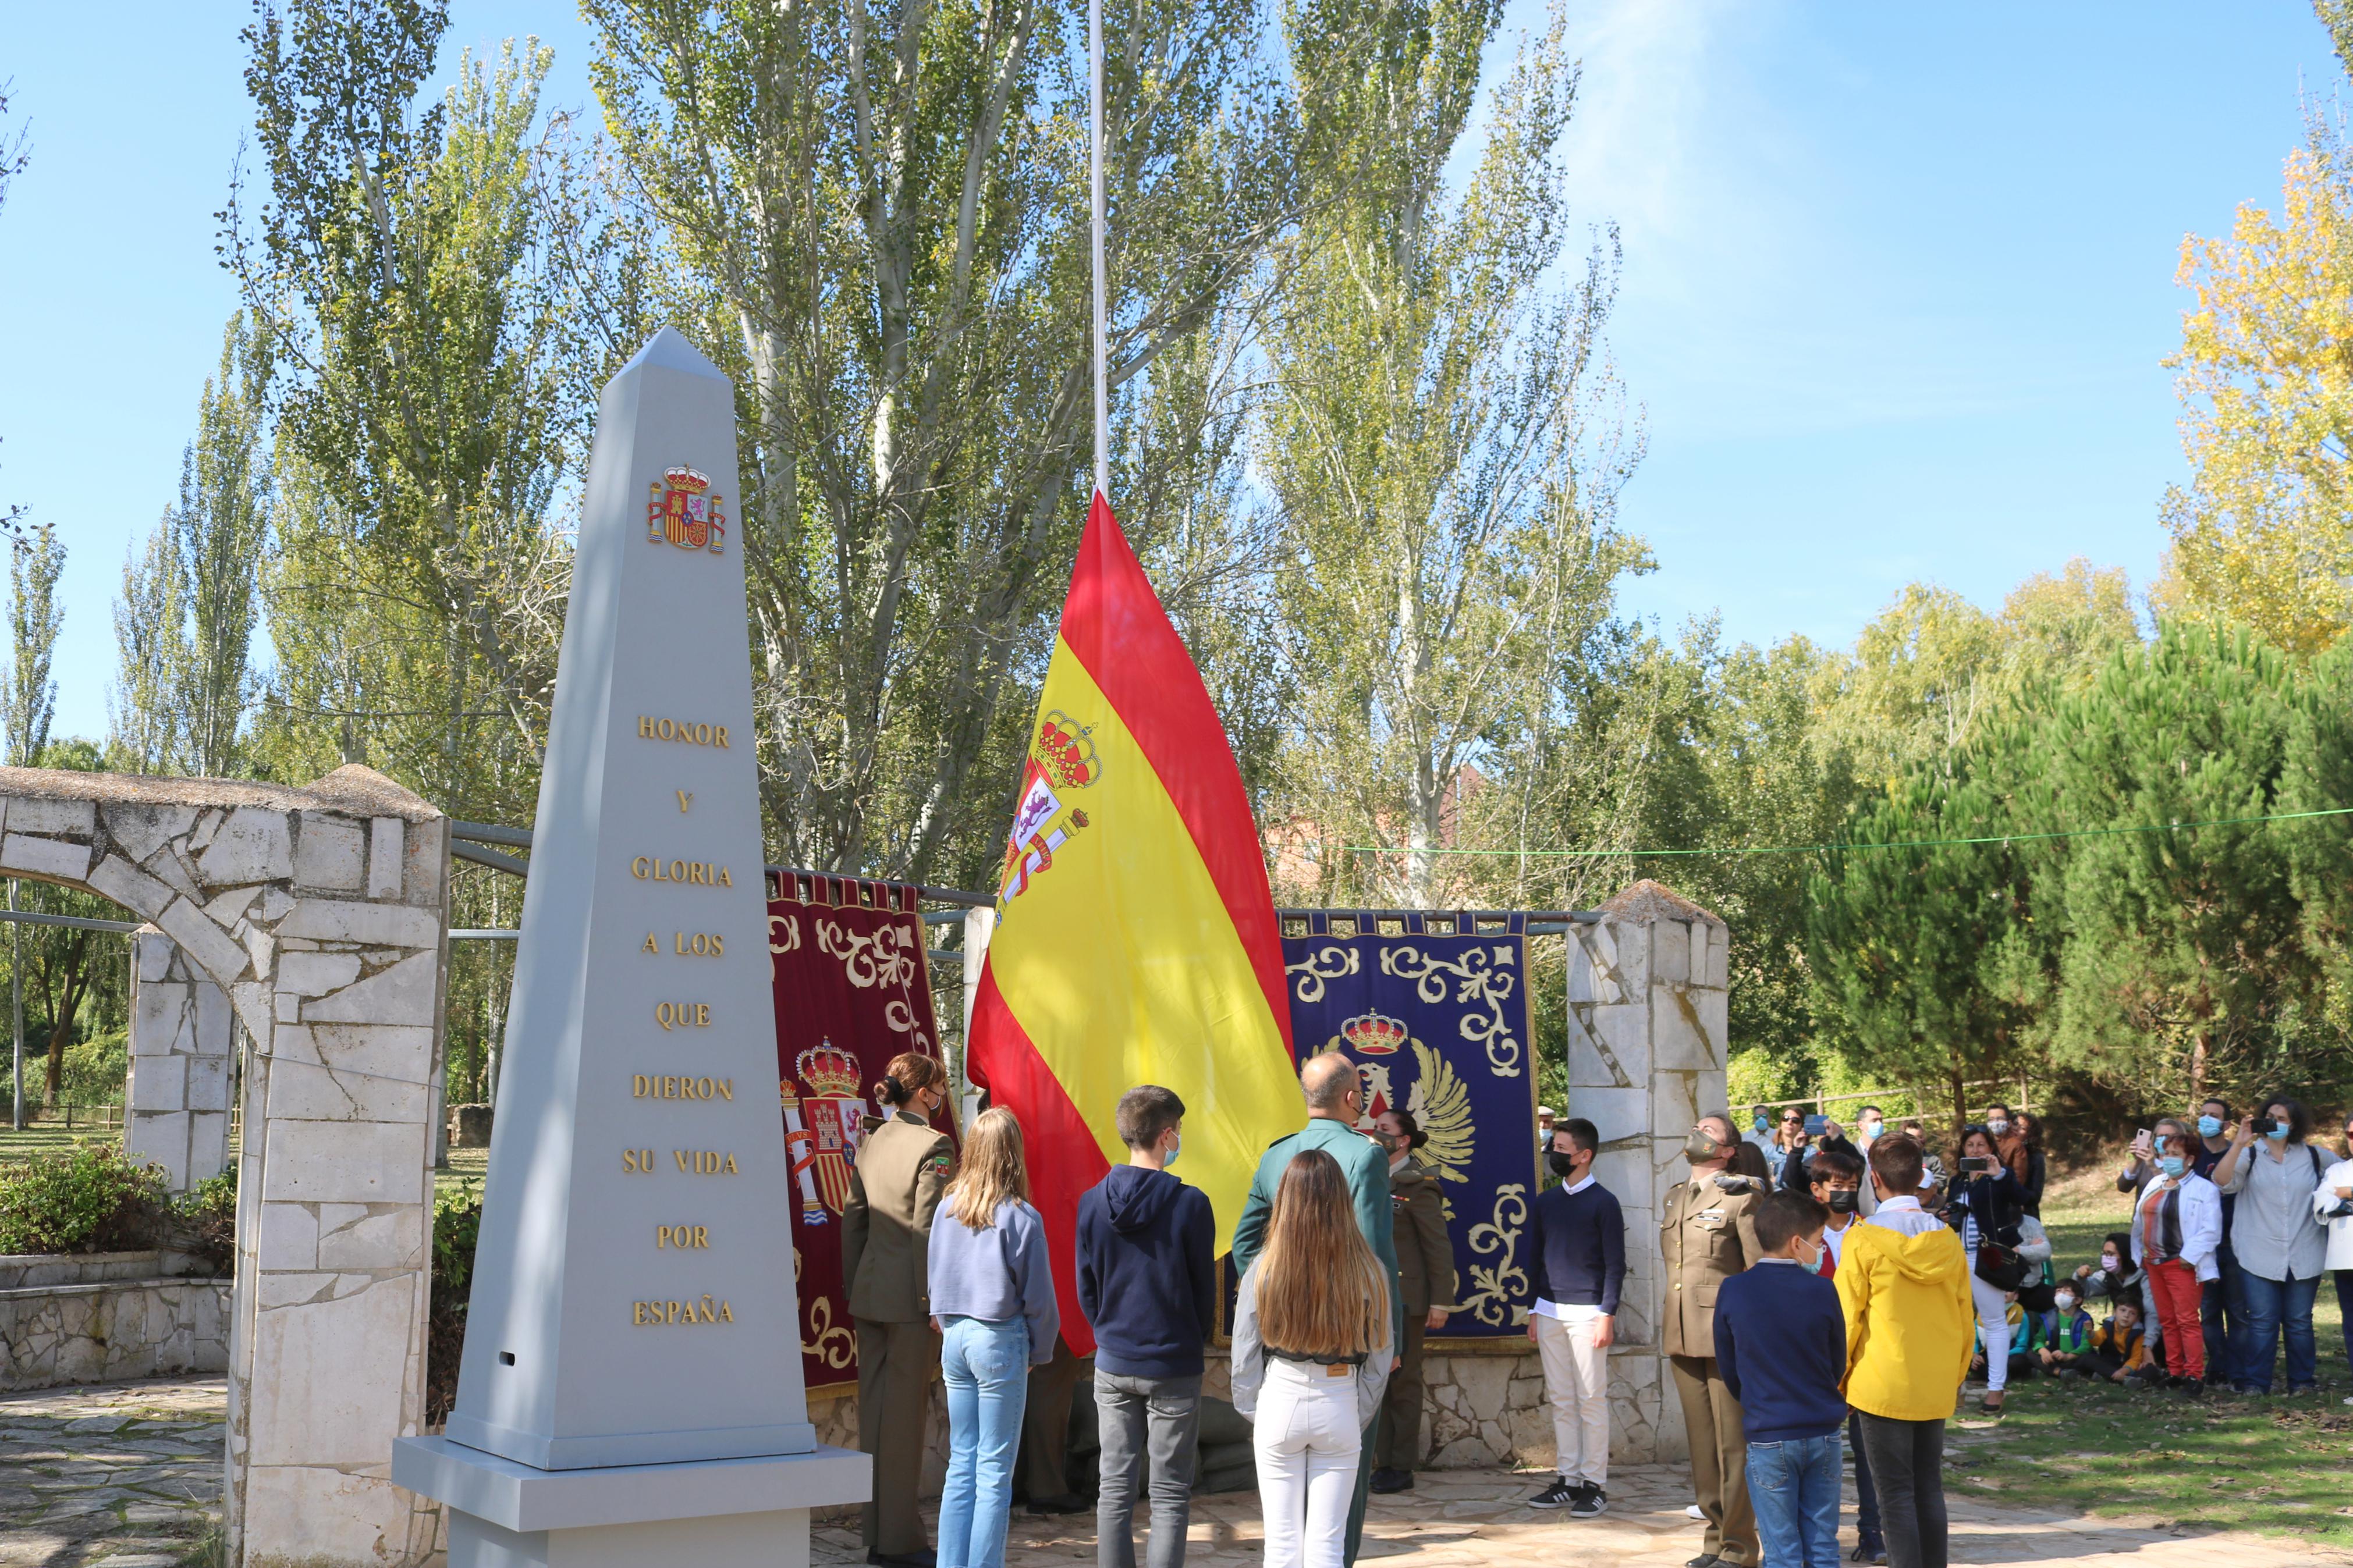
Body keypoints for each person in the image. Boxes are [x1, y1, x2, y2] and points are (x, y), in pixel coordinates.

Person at [1231, 1054, 1401, 1567]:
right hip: (1345, 1351)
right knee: (1333, 1530)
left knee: (1281, 1542)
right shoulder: (1365, 1154)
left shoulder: (1275, 1154)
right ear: (1351, 1098)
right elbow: (1376, 1252)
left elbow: (1245, 1243)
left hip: (1281, 1365)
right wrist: (1387, 1336)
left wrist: (1277, 1290)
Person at [1077, 1086, 1217, 1568]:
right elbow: (1203, 1290)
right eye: (1178, 1130)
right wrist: (1188, 1338)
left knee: (1114, 1486)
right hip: (1173, 1361)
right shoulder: (1191, 1203)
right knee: (1170, 1492)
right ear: (1166, 1134)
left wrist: (1109, 1331)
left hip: (1114, 1359)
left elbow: (1086, 1286)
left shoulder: (1091, 1202)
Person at [928, 1108, 1059, 1568]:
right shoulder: (1021, 1216)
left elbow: (934, 1275)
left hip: (955, 1336)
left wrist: (943, 1320)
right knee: (993, 1471)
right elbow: (1039, 1298)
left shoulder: (946, 1208)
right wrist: (1038, 1349)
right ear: (1013, 1152)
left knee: (961, 1462)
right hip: (999, 1338)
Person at [1836, 1134, 1972, 1568]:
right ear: (1919, 1178)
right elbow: (1964, 1318)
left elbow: (1845, 1320)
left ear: (1874, 1179)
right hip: (1934, 1381)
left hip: (1881, 1383)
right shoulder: (1948, 1240)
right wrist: (1953, 1377)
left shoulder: (1862, 1239)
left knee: (1894, 1495)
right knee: (1929, 1489)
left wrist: (1839, 1379)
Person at [843, 1052, 957, 1568]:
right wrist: (933, 1299)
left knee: (875, 1416)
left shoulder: (870, 1140)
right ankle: (899, 1540)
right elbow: (926, 1229)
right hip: (912, 1300)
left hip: (870, 1294)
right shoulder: (934, 1144)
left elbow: (854, 1221)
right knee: (904, 1422)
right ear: (923, 1092)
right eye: (940, 1086)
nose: (943, 1095)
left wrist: (856, 1287)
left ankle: (877, 1533)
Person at [1717, 1192, 1848, 1568]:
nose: (1821, 1249)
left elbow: (1729, 1367)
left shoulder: (1733, 1289)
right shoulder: (1823, 1289)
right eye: (1819, 1240)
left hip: (1768, 1430)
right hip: (1822, 1431)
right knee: (1822, 1546)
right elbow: (1836, 1360)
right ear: (1796, 1243)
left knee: (1780, 1550)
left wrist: (1758, 1399)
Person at [1662, 1113, 1763, 1568]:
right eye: (1696, 1126)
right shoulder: (1674, 1196)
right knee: (1702, 1447)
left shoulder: (1742, 1197)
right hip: (1681, 1333)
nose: (1697, 1134)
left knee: (1732, 1446)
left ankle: (1739, 1548)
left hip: (1726, 1335)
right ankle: (1714, 1538)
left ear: (1727, 1150)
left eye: (1709, 1131)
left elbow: (1756, 1271)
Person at [1525, 1116, 1625, 1518]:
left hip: (1588, 1314)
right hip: (1548, 1309)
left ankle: (1594, 1484)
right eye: (1553, 1147)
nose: (1553, 1154)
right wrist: (1533, 1308)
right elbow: (1534, 1256)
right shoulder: (1546, 1202)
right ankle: (1567, 1478)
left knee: (1590, 1400)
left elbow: (1615, 1264)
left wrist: (1607, 1314)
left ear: (1584, 1155)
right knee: (1561, 1399)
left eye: (1561, 1148)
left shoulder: (1604, 1202)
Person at [2212, 1096, 2330, 1394]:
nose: (2275, 1123)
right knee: (2262, 1322)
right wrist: (2239, 1143)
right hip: (2258, 1252)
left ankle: (2302, 1383)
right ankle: (2256, 1384)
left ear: (2294, 1124)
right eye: (2270, 1117)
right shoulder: (2250, 1155)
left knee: (2299, 1322)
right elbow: (2221, 1181)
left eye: (2282, 1119)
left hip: (2305, 1251)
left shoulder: (2314, 1156)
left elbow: (2345, 1174)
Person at [1802, 1147, 1880, 1565]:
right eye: (1838, 1185)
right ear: (1818, 1189)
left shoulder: (1872, 1232)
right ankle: (1811, 1539)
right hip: (1813, 1358)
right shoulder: (1801, 1235)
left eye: (1852, 1185)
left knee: (1869, 1453)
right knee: (1812, 1453)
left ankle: (1873, 1533)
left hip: (1863, 1357)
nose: (1845, 1192)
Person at [1370, 1107, 1454, 1495]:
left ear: (1403, 1140)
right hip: (1371, 1297)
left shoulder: (1419, 1185)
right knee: (1376, 1380)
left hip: (1407, 1299)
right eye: (1376, 1126)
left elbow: (1437, 1246)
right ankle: (1380, 1460)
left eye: (1385, 1129)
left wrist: (1441, 1301)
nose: (1377, 1133)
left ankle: (1400, 1466)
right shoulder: (1370, 1176)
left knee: (1402, 1381)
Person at [2126, 1118, 2221, 1392]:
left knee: (2187, 1320)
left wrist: (2188, 1257)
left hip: (2182, 1264)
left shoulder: (2204, 1189)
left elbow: (2211, 1230)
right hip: (2153, 1262)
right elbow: (2139, 1219)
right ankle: (2176, 1370)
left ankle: (2194, 1375)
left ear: (2190, 1160)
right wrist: (2140, 1254)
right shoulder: (2156, 1182)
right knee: (2167, 1320)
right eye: (2166, 1153)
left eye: (2175, 1154)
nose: (2168, 1159)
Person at [1943, 1125, 2027, 1413]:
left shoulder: (1999, 1177)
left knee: (1993, 1321)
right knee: (1955, 1323)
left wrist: (1998, 1174)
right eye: (1970, 1145)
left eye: (1981, 1145)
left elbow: (2023, 1198)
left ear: (1991, 1148)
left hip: (1987, 1257)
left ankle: (1995, 1388)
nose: (1975, 1150)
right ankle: (1957, 1384)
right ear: (1963, 1149)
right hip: (1957, 1256)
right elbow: (1952, 1212)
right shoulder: (1958, 1181)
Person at [2191, 1097, 2244, 1388]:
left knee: (2237, 1312)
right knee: (2209, 1312)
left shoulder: (2239, 1155)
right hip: (2201, 1247)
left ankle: (2238, 1370)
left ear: (2226, 1124)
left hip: (2235, 1243)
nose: (2206, 1119)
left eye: (2213, 1115)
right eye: (2203, 1114)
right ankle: (2218, 1367)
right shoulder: (2190, 1155)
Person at [2314, 1111, 2353, 1378]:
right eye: (2351, 1134)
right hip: (2347, 1260)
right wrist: (2343, 1203)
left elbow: (2338, 1198)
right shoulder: (2337, 1171)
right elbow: (2323, 1203)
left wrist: (2347, 1193)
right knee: (2351, 1323)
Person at [1986, 1105, 2045, 1217]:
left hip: (2024, 1213)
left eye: (2023, 1128)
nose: (2016, 1129)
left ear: (2030, 1135)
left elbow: (2035, 1195)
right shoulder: (1994, 1145)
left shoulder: (2036, 1157)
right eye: (2015, 1124)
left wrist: (2017, 1198)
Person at [1968, 1292, 2031, 1386]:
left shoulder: (2022, 1316)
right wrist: (1975, 1355)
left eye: (2008, 1290)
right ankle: (1999, 1376)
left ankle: (1992, 1375)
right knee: (1970, 1360)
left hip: (2011, 1354)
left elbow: (2021, 1346)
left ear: (2016, 1296)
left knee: (2018, 1362)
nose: (2003, 1293)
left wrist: (2000, 1357)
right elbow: (1975, 1341)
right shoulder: (1982, 1315)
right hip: (1989, 1354)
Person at [2082, 1297, 2150, 1382]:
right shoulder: (2108, 1326)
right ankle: (2123, 1379)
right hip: (2108, 1363)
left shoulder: (2138, 1334)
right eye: (2123, 1310)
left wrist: (2123, 1371)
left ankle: (2108, 1376)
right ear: (2114, 1312)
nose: (2126, 1316)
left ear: (2137, 1319)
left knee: (2150, 1370)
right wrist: (2090, 1332)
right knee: (2087, 1358)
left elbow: (2136, 1358)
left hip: (2127, 1367)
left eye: (2132, 1313)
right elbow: (2097, 1341)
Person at [2033, 1283, 2094, 1377]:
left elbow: (2087, 1345)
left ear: (2077, 1300)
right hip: (2056, 1357)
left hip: (2074, 1357)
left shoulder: (2084, 1319)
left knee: (2089, 1358)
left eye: (2066, 1291)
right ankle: (2059, 1372)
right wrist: (2043, 1351)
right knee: (2031, 1353)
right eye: (2058, 1291)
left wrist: (2068, 1356)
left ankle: (2047, 1371)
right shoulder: (2050, 1317)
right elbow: (2038, 1339)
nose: (2061, 1294)